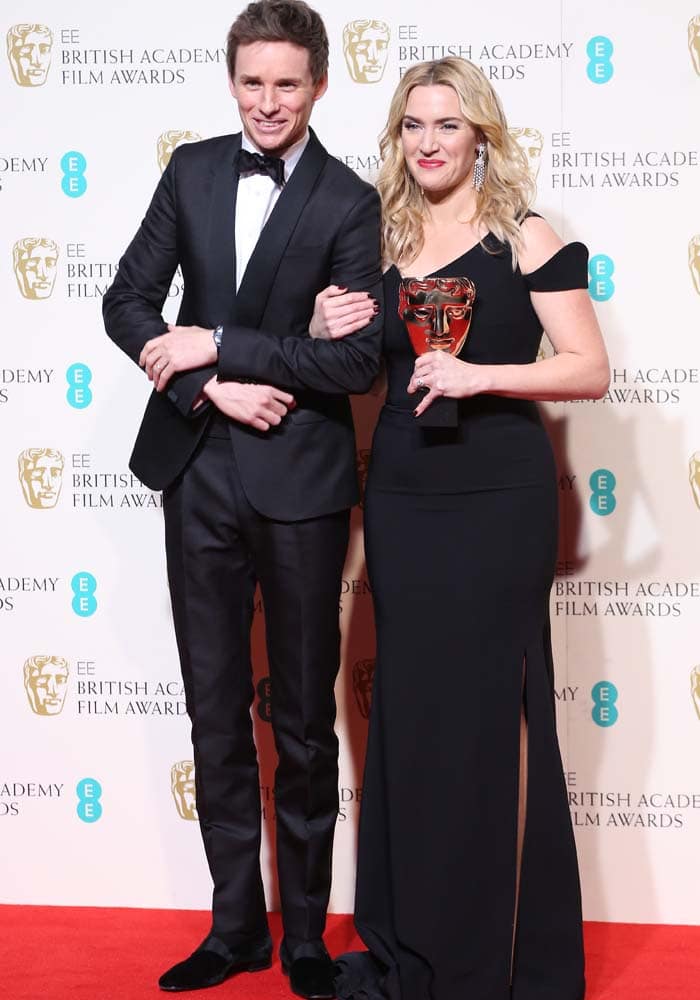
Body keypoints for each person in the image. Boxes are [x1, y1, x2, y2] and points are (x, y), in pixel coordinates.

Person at [309, 57, 609, 1000]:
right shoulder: (380, 237)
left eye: (447, 124)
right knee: (412, 716)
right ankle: (412, 942)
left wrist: (483, 375)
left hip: (501, 500)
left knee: (490, 720)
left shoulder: (524, 236)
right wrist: (326, 327)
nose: (429, 142)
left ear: (481, 133)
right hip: (402, 499)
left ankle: (498, 957)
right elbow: (363, 374)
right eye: (413, 126)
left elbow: (587, 368)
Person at [102, 2, 383, 996]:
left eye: (287, 84)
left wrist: (221, 341)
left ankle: (302, 933)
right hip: (198, 472)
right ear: (232, 80)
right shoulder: (191, 169)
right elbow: (127, 302)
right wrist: (203, 383)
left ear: (318, 85)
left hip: (303, 481)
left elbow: (353, 358)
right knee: (216, 712)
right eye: (252, 82)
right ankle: (236, 927)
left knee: (304, 721)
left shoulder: (349, 201)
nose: (268, 103)